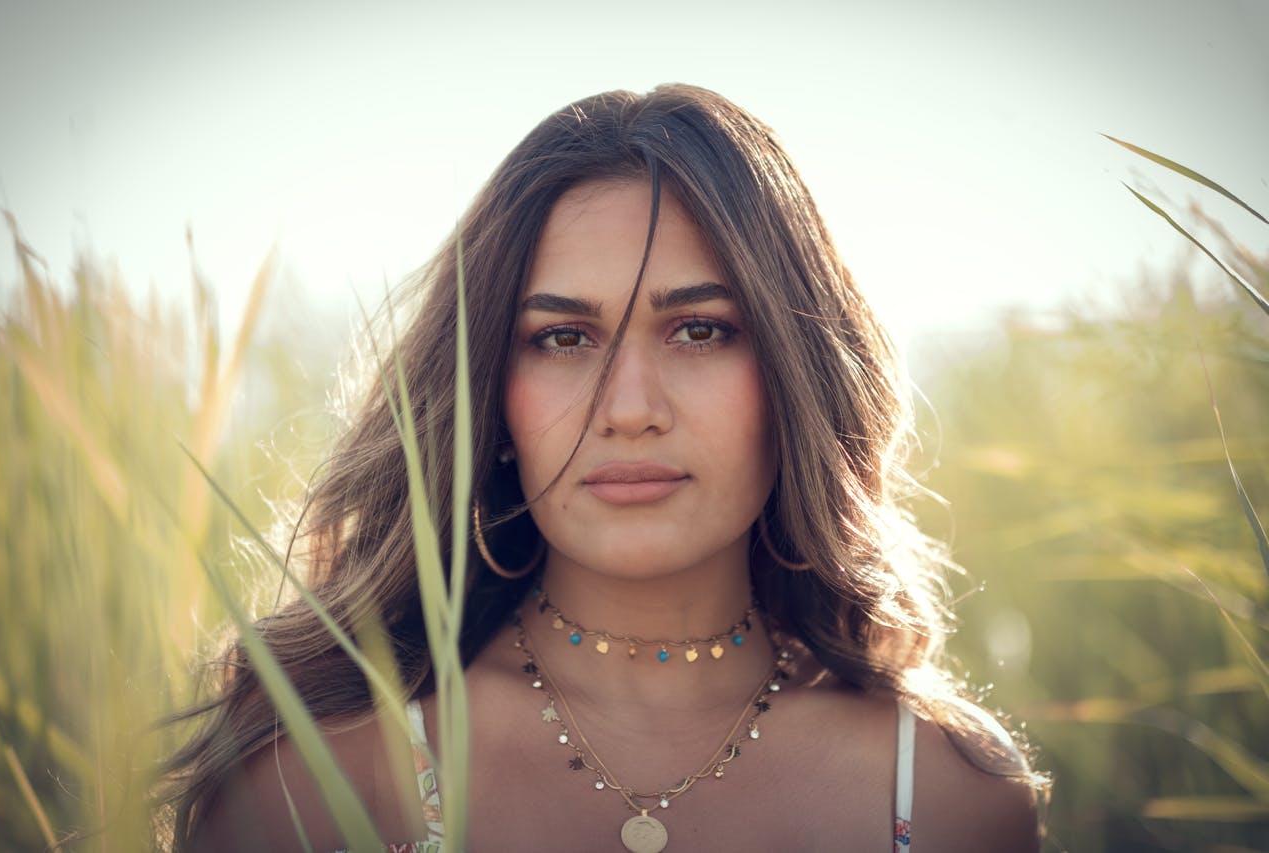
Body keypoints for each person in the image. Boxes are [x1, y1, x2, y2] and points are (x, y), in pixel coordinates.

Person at [163, 84, 1047, 852]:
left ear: (795, 375)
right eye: (562, 337)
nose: (629, 408)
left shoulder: (943, 797)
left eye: (700, 329)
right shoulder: (322, 777)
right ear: (491, 400)